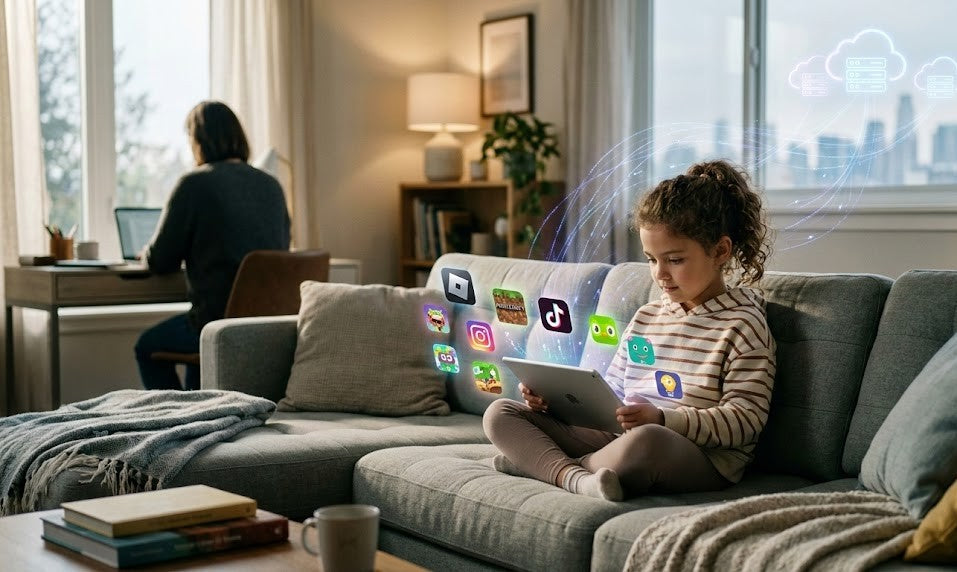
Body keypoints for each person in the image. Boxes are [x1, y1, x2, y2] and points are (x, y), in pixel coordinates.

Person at [483, 160, 775, 501]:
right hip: (619, 438)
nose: (660, 274)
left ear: (720, 251)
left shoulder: (743, 324)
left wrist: (664, 419)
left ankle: (545, 465)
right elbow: (613, 396)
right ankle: (575, 475)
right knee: (500, 413)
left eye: (675, 260)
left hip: (695, 455)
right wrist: (552, 405)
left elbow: (745, 420)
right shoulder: (646, 317)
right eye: (652, 259)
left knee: (647, 441)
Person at [134, 100, 290, 391]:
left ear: (198, 141)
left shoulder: (194, 184)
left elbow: (161, 261)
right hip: (266, 329)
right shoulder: (272, 186)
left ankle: (173, 422)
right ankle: (199, 415)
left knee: (147, 347)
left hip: (216, 323)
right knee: (201, 359)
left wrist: (146, 254)